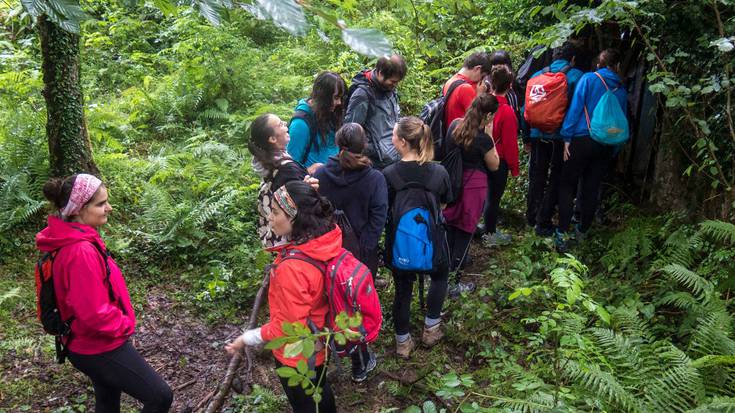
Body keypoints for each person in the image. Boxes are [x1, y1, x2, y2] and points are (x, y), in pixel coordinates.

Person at [36, 174, 173, 413]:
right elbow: (94, 313)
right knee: (160, 396)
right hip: (98, 346)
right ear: (79, 210)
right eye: (100, 204)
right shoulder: (80, 251)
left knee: (108, 400)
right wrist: (124, 325)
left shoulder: (75, 238)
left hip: (83, 341)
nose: (108, 207)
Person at [225, 181, 349, 411]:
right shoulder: (324, 239)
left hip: (298, 355)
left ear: (295, 218)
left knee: (307, 403)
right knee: (320, 396)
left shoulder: (292, 269)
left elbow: (288, 328)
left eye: (274, 212)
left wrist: (247, 337)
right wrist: (302, 190)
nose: (270, 218)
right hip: (319, 340)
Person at [382, 116, 451, 358]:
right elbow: (444, 204)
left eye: (392, 135)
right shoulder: (439, 172)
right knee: (440, 275)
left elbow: (386, 209)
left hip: (399, 244)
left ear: (401, 142)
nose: (391, 138)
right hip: (432, 239)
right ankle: (431, 329)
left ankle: (403, 343)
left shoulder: (389, 174)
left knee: (402, 288)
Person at [556, 49, 628, 251]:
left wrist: (567, 137)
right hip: (605, 144)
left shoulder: (588, 79)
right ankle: (583, 231)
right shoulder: (621, 89)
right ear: (617, 66)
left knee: (567, 185)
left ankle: (562, 233)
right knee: (591, 188)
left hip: (580, 139)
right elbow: (620, 123)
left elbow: (576, 108)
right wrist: (613, 149)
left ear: (599, 64)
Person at [522, 42, 584, 237]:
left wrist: (526, 137)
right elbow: (576, 111)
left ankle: (531, 216)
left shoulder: (536, 76)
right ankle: (544, 220)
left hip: (537, 133)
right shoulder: (576, 77)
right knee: (557, 176)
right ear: (572, 59)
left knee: (537, 175)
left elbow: (526, 110)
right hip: (560, 137)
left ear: (553, 56)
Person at [442, 94, 500, 297]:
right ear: (489, 115)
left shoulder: (454, 127)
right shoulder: (483, 139)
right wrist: (490, 133)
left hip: (451, 183)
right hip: (473, 188)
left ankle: (442, 276)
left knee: (449, 230)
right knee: (465, 234)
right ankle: (453, 283)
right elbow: (495, 165)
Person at [313, 123, 388, 275]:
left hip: (327, 251)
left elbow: (315, 212)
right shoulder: (375, 179)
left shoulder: (320, 174)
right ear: (364, 145)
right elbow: (378, 218)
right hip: (362, 255)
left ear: (337, 143)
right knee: (360, 296)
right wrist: (365, 249)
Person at [249, 113, 318, 249]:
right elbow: (301, 203)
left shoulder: (268, 161)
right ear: (273, 139)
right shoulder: (287, 169)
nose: (286, 124)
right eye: (280, 124)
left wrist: (306, 171)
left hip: (275, 233)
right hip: (291, 240)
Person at [344, 54, 407, 169]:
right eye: (392, 81)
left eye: (397, 82)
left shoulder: (388, 89)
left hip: (394, 158)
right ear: (380, 73)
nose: (395, 85)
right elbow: (351, 131)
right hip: (375, 163)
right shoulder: (362, 94)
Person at [481, 65, 520, 246]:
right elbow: (510, 144)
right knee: (493, 198)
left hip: (480, 156)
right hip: (499, 160)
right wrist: (514, 167)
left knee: (485, 193)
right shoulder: (507, 112)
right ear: (510, 85)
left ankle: (482, 228)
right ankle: (490, 234)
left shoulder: (483, 105)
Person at [288, 71, 347, 174]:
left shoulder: (331, 113)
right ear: (324, 97)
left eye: (341, 98)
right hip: (312, 183)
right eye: (336, 98)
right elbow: (290, 167)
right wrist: (307, 171)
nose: (339, 102)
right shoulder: (301, 124)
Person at [442, 52, 493, 131]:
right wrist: (480, 95)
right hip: (463, 136)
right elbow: (477, 120)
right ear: (477, 69)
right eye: (482, 76)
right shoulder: (466, 88)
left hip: (450, 135)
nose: (481, 80)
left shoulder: (450, 81)